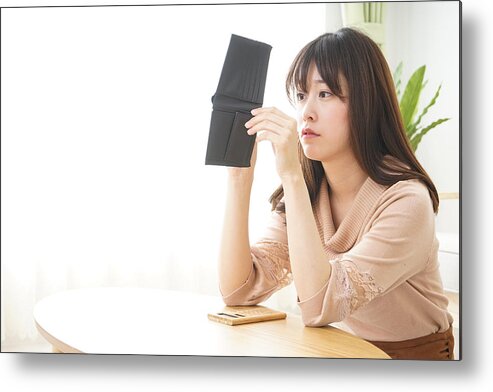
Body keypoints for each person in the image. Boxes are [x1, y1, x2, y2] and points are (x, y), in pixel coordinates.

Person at [217, 27, 454, 360]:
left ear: (366, 101)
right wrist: (239, 179)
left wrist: (291, 175)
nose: (306, 113)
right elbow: (238, 290)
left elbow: (317, 306)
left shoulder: (407, 201)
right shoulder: (312, 193)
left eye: (325, 94)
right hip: (339, 355)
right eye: (301, 96)